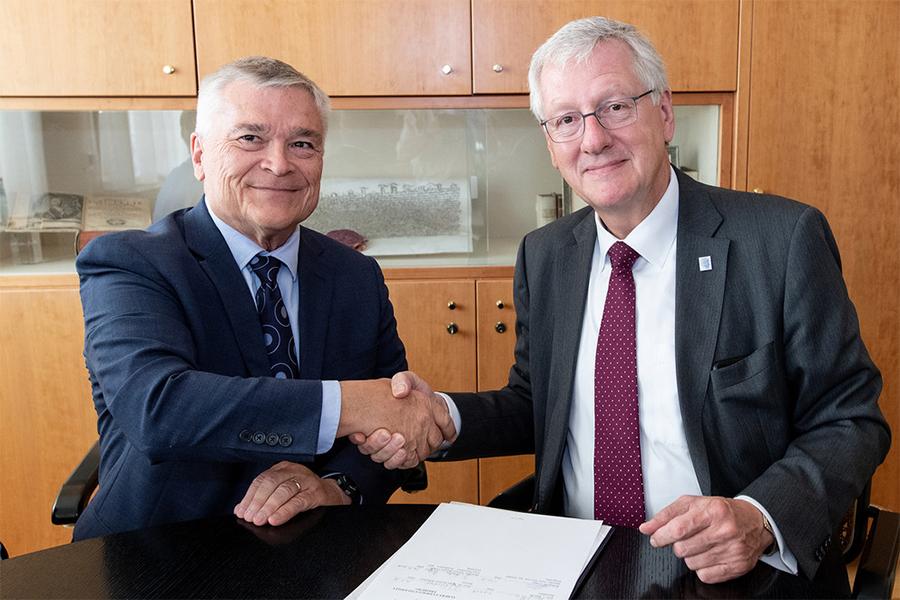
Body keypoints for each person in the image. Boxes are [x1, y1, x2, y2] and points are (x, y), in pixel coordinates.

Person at [354, 17, 890, 583]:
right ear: (551, 143)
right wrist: (446, 415)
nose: (592, 138)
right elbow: (540, 402)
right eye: (566, 120)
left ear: (663, 113)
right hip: (572, 563)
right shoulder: (546, 253)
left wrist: (757, 517)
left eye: (614, 106)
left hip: (733, 572)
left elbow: (850, 418)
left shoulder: (780, 241)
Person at [74, 56, 454, 540]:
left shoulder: (356, 276)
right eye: (250, 138)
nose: (279, 163)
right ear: (199, 155)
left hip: (318, 547)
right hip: (159, 551)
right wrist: (349, 405)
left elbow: (391, 426)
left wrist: (336, 487)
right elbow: (159, 409)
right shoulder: (132, 263)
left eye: (302, 143)